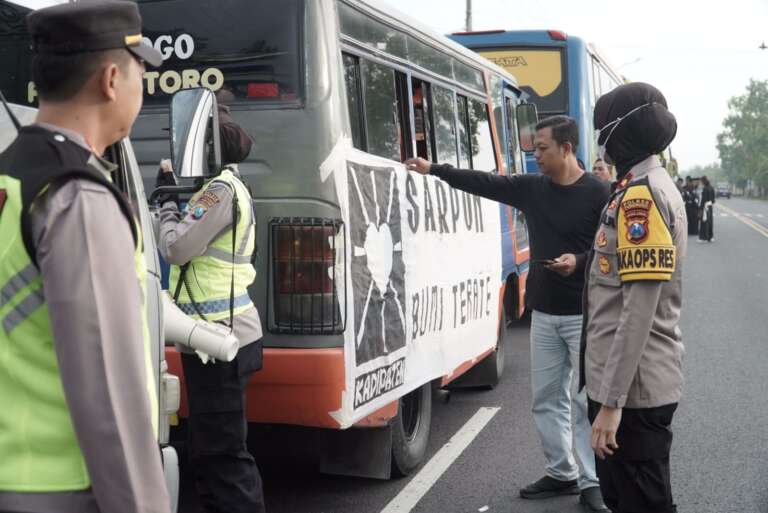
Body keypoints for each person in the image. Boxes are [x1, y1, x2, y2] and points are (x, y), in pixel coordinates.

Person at [0, 2, 170, 513]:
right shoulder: (79, 196)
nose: (145, 86)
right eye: (143, 71)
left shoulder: (12, 175)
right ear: (112, 79)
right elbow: (112, 405)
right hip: (63, 491)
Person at [406, 116, 610, 512]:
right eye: (534, 149)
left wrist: (580, 261)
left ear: (566, 148)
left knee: (584, 401)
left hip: (586, 315)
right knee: (547, 399)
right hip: (545, 312)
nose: (536, 157)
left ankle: (592, 482)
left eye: (542, 149)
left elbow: (610, 251)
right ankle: (561, 471)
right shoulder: (534, 189)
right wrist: (434, 169)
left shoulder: (598, 193)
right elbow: (486, 182)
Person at [156, 100, 265, 513]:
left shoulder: (219, 191)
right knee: (208, 452)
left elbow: (176, 247)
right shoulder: (223, 187)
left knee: (223, 458)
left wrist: (167, 203)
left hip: (220, 341)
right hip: (217, 338)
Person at [583, 82, 684, 513]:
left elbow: (638, 310)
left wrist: (611, 404)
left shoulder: (641, 196)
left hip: (632, 392)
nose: (600, 142)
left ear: (621, 134)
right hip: (628, 385)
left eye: (602, 131)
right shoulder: (642, 185)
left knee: (641, 503)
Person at [698, 175, 715, 242]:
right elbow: (713, 200)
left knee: (704, 222)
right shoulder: (711, 188)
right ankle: (710, 237)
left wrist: (700, 208)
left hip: (705, 207)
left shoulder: (705, 189)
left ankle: (703, 237)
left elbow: (703, 200)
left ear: (703, 181)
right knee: (710, 222)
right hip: (710, 207)